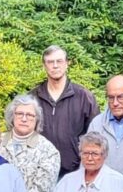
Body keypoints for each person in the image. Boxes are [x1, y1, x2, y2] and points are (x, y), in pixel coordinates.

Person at [32, 46, 98, 175]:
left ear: (67, 63)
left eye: (59, 61)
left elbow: (95, 135)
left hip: (75, 171)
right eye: (50, 62)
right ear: (44, 65)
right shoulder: (33, 98)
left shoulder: (84, 97)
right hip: (39, 170)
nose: (55, 66)